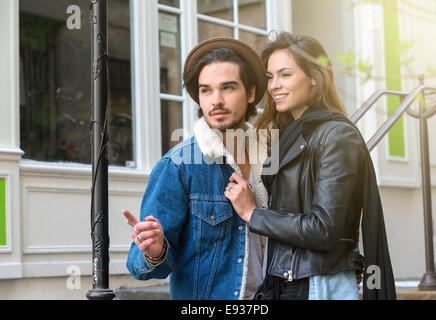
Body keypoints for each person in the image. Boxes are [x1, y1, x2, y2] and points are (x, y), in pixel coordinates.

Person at [224, 32, 397, 300]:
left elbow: (324, 229)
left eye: (285, 75)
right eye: (270, 77)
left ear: (314, 77)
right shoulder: (288, 136)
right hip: (284, 281)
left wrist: (253, 214)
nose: (274, 86)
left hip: (318, 283)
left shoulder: (337, 136)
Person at [123, 37, 270, 300]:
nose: (216, 100)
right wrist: (154, 250)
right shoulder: (178, 165)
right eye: (206, 90)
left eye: (228, 88)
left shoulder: (270, 158)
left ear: (250, 93)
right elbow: (139, 267)